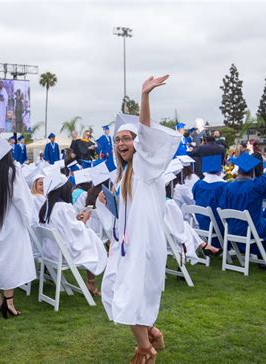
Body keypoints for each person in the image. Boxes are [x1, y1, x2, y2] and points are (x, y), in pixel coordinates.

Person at [97, 75, 180, 363]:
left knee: (130, 297)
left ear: (137, 143)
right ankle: (151, 334)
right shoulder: (120, 175)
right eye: (118, 139)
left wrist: (144, 96)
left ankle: (145, 348)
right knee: (111, 292)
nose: (122, 143)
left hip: (143, 246)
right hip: (124, 245)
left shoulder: (145, 167)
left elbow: (146, 132)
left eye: (127, 138)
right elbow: (124, 214)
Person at [0, 127, 36, 319]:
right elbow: (21, 199)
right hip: (10, 224)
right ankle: (8, 303)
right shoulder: (12, 171)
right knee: (9, 262)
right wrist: (30, 219)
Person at [39, 172, 107, 296]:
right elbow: (74, 231)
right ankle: (91, 283)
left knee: (90, 238)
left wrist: (76, 218)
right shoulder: (63, 207)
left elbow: (65, 226)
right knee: (92, 240)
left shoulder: (47, 205)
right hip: (61, 253)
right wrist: (85, 219)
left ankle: (91, 283)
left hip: (50, 251)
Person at [220, 152, 266, 260]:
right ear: (253, 172)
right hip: (253, 228)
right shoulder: (256, 186)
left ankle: (263, 253)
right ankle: (265, 253)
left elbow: (222, 206)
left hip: (232, 229)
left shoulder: (228, 187)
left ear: (238, 171)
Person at [192, 155, 227, 246]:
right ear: (220, 170)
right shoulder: (223, 186)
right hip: (218, 227)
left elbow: (195, 198)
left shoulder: (198, 184)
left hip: (201, 223)